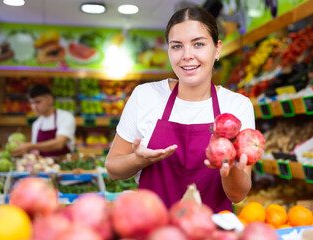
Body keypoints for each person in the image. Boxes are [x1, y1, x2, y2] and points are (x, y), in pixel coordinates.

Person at [106, 7, 255, 212]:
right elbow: (113, 169)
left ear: (217, 49)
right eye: (177, 46)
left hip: (211, 231)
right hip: (152, 229)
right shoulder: (145, 96)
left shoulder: (237, 107)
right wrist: (138, 160)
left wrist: (227, 168)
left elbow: (237, 195)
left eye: (198, 44)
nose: (187, 55)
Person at [11, 84, 76, 157]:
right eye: (31, 103)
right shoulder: (37, 124)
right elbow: (35, 150)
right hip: (45, 166)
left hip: (65, 166)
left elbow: (59, 144)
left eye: (38, 102)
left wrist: (29, 146)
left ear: (50, 100)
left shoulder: (65, 117)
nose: (34, 106)